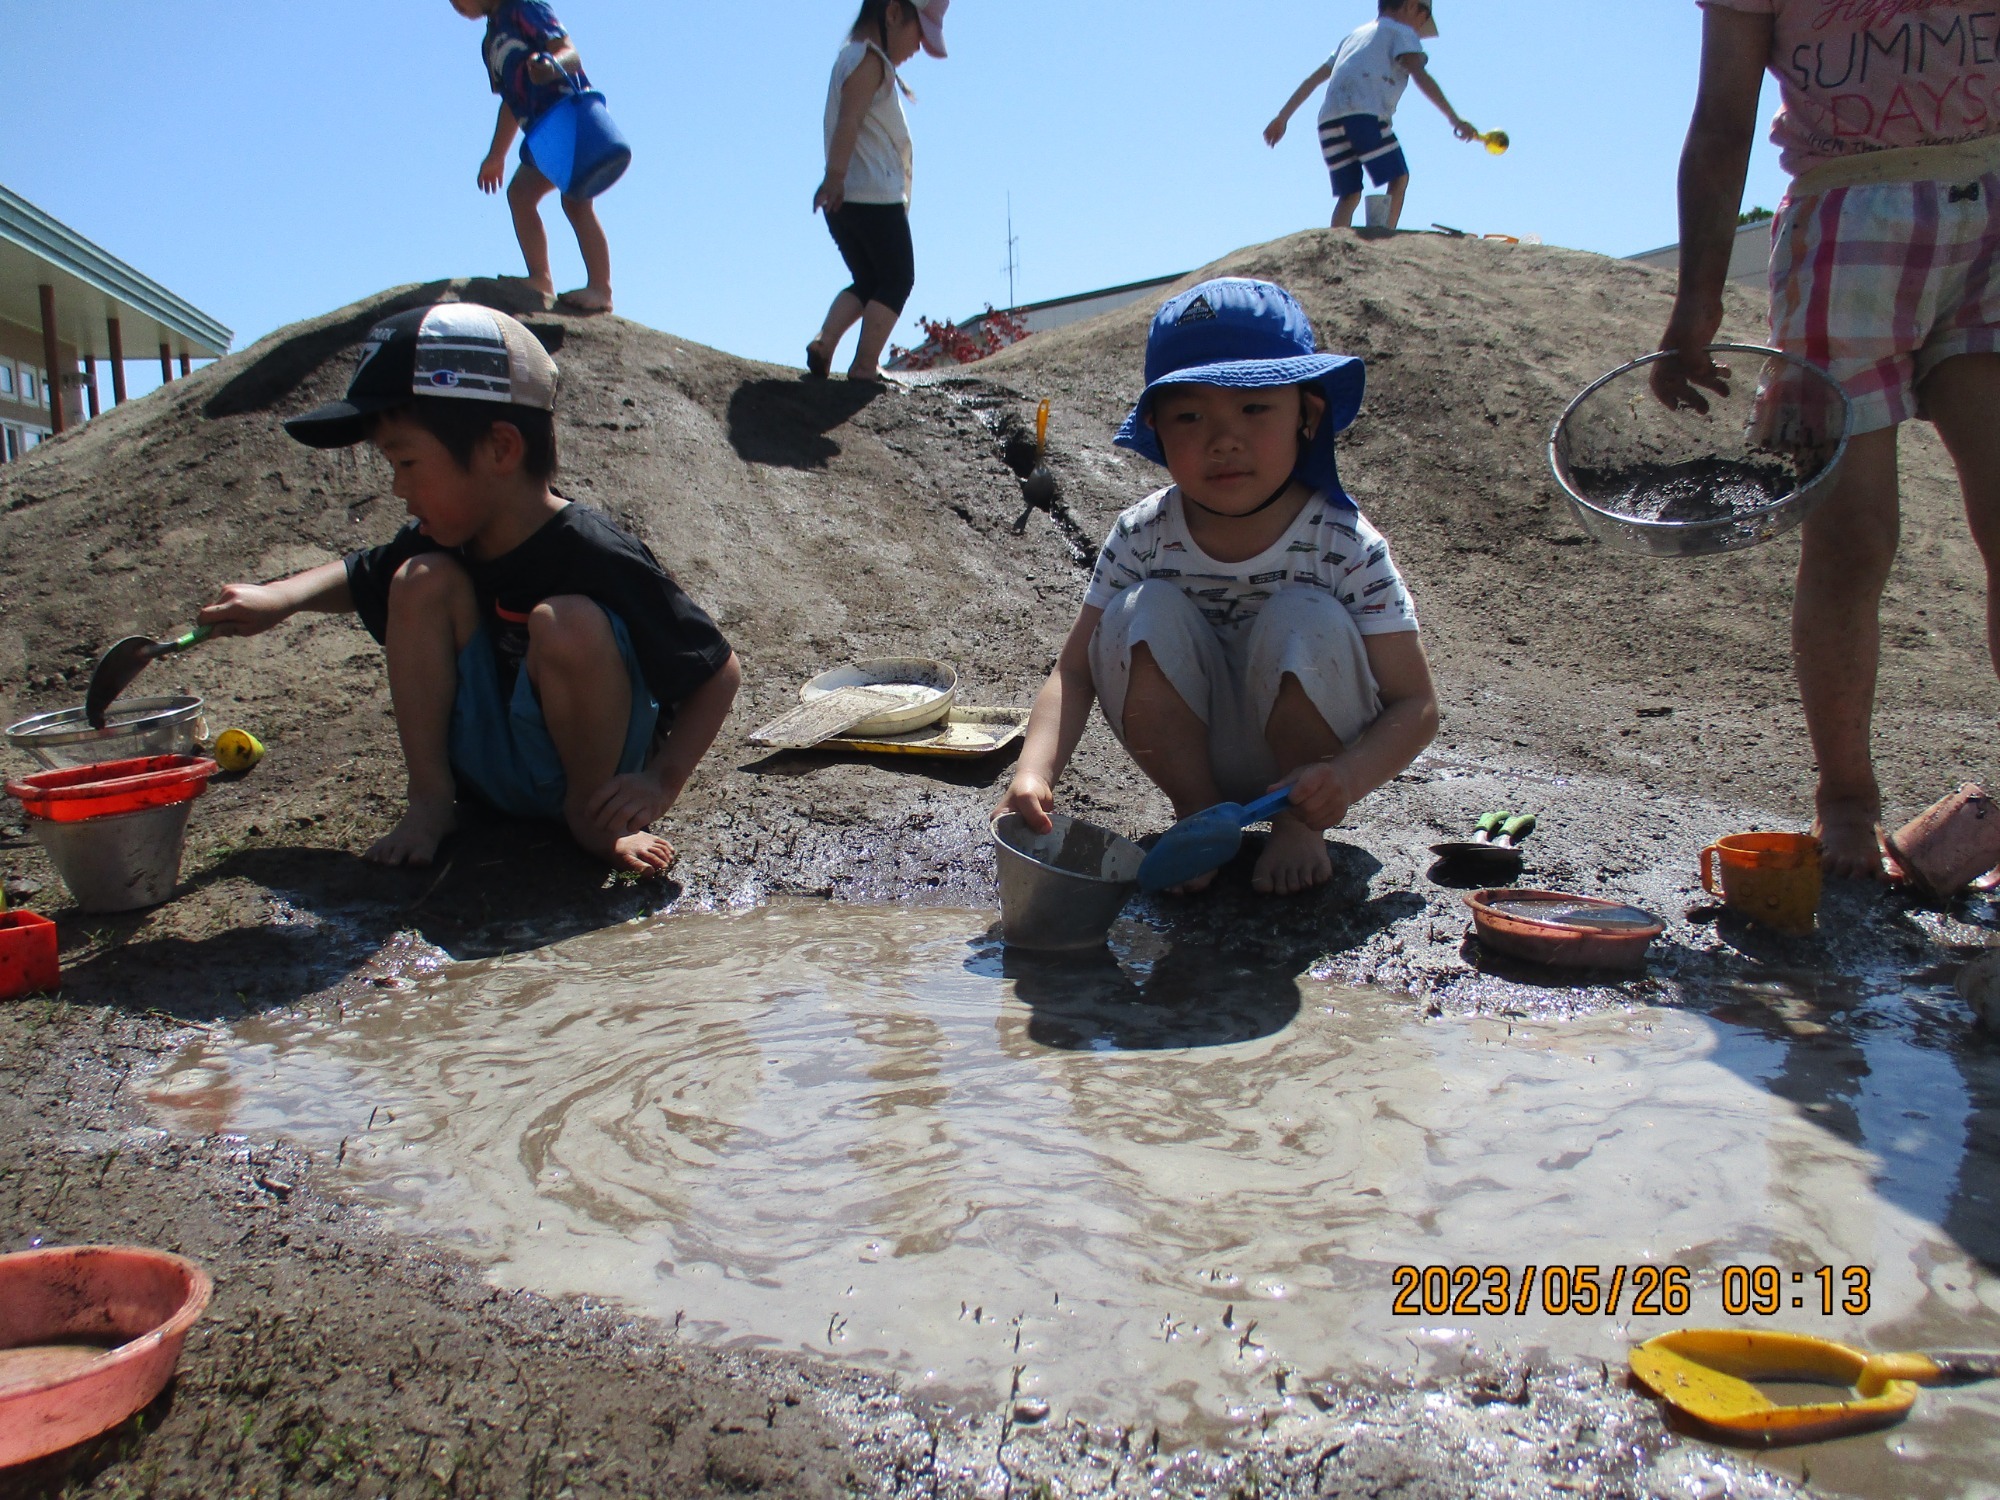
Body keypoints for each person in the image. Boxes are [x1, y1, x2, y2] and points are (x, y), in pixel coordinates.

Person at [197, 304, 741, 873]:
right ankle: (433, 802)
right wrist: (278, 599)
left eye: (406, 461)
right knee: (420, 580)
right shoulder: (441, 539)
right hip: (489, 777)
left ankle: (589, 819)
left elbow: (717, 672)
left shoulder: (594, 549)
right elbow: (363, 573)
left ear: (500, 449)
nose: (397, 487)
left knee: (568, 620)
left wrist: (660, 780)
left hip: (596, 778)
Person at [1655, 1, 2000, 880]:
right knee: (1851, 542)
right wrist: (1698, 296)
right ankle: (1846, 798)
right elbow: (1723, 116)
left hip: (1990, 206)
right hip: (1845, 224)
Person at [996, 279, 1440, 896]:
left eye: (1254, 407)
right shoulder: (1141, 534)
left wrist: (1346, 776)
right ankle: (1198, 818)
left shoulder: (1343, 540)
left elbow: (1416, 704)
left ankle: (1294, 825)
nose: (1223, 439)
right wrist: (1033, 771)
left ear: (1306, 416)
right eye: (1190, 415)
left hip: (1308, 764)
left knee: (1302, 617)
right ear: (1157, 427)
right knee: (1134, 613)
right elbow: (1075, 671)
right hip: (1190, 745)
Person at [806, 0, 949, 384]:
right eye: (919, 32)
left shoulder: (848, 60)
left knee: (868, 281)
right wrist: (834, 174)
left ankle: (825, 341)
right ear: (891, 13)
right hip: (873, 198)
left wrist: (836, 183)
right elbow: (848, 121)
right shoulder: (869, 60)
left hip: (845, 205)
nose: (919, 46)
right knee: (898, 278)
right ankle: (865, 364)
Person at [451, 0, 615, 313]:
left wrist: (552, 64)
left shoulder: (524, 8)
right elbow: (511, 102)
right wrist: (496, 155)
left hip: (569, 116)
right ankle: (540, 278)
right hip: (542, 133)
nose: (454, 3)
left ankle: (601, 288)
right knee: (520, 194)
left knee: (576, 201)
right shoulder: (491, 43)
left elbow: (569, 52)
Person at [1264, 0, 1476, 230]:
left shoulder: (1353, 37)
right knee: (1399, 178)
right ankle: (1386, 236)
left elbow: (1313, 80)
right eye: (1421, 22)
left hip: (1328, 121)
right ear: (1411, 6)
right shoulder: (1401, 32)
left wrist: (1282, 117)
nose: (1418, 31)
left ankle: (1337, 241)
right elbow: (1419, 74)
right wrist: (1454, 118)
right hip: (1365, 116)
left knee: (1349, 193)